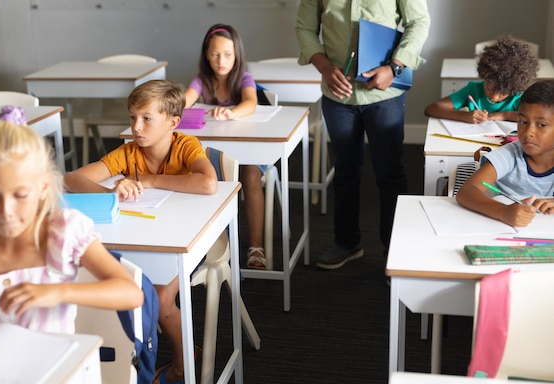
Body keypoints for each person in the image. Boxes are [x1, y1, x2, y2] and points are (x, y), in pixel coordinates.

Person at [0, 106, 144, 384]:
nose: (5, 211)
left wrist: (55, 292)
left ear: (43, 188)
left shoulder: (64, 231)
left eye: (20, 195)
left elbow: (130, 293)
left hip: (58, 376)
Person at [64, 79, 218, 384]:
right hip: (148, 235)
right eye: (133, 117)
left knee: (160, 298)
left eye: (147, 118)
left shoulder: (185, 145)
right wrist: (112, 193)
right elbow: (72, 178)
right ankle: (124, 353)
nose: (136, 126)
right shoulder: (128, 152)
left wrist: (149, 179)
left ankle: (184, 357)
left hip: (192, 238)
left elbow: (208, 184)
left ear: (172, 123)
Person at [296, 1, 431, 269]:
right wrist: (324, 67)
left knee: (390, 173)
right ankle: (347, 242)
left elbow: (419, 22)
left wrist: (394, 67)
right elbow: (305, 28)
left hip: (385, 94)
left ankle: (394, 248)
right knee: (345, 170)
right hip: (337, 95)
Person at [184, 23, 267, 270]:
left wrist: (231, 112)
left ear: (237, 55)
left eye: (228, 55)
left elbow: (251, 103)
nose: (221, 60)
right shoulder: (202, 80)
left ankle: (256, 247)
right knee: (200, 177)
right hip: (219, 152)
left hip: (248, 150)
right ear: (206, 54)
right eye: (215, 54)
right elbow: (186, 100)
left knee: (251, 176)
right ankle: (209, 245)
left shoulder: (244, 78)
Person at [456, 80, 554, 227]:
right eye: (523, 122)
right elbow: (467, 191)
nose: (529, 132)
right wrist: (504, 211)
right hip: (508, 235)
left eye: (541, 125)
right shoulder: (511, 155)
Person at [425, 35, 539, 124]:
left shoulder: (519, 97)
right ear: (486, 76)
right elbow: (431, 109)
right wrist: (464, 116)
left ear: (514, 88)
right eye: (490, 86)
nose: (494, 96)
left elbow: (535, 119)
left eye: (503, 92)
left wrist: (505, 115)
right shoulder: (473, 90)